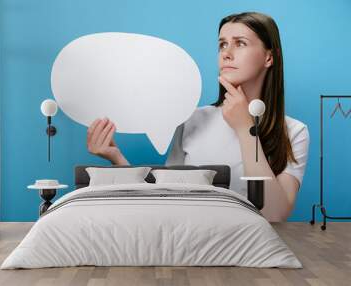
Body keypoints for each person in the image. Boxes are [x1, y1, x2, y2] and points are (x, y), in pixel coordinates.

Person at [86, 12, 310, 222]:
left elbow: (274, 214)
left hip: (251, 248)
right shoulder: (191, 119)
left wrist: (245, 129)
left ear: (269, 57)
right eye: (222, 44)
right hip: (189, 241)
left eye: (240, 43)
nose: (226, 53)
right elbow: (163, 198)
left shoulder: (294, 131)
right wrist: (117, 159)